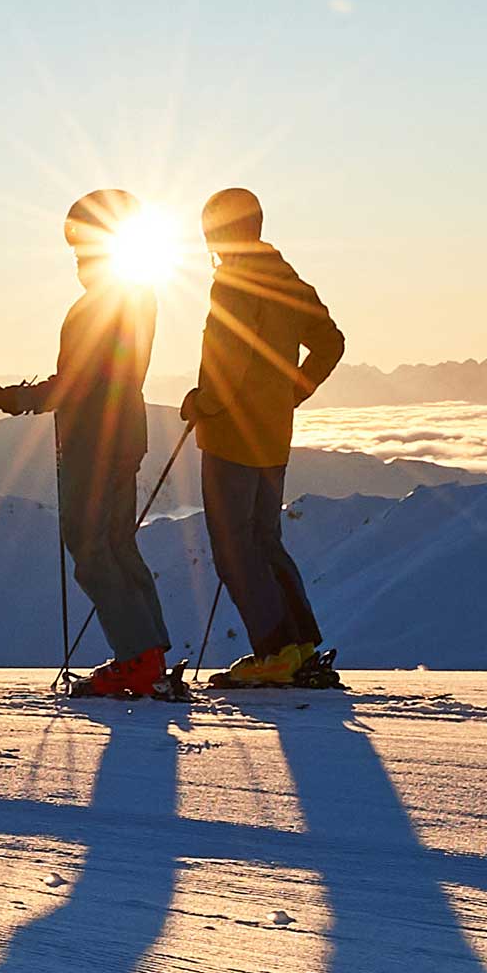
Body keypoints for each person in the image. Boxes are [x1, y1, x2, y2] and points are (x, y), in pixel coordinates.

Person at [0, 189, 172, 699]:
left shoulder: (99, 306)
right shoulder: (138, 297)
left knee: (90, 547)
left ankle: (136, 658)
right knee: (119, 544)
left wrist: (5, 398)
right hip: (127, 431)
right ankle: (147, 654)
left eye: (83, 249)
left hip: (92, 440)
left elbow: (75, 384)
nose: (79, 262)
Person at [179, 187, 347, 689]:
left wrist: (204, 402)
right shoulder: (286, 277)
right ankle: (299, 645)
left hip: (231, 435)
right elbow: (330, 343)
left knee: (235, 549)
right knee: (265, 541)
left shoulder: (233, 281)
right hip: (273, 436)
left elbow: (229, 359)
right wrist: (288, 395)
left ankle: (274, 652)